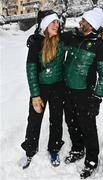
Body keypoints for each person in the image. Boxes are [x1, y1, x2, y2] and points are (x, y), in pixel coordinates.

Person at [63, 8, 103, 179]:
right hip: (68, 90)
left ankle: (91, 160)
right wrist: (38, 38)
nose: (80, 22)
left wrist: (97, 98)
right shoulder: (74, 37)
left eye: (83, 20)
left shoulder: (100, 46)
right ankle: (77, 148)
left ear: (91, 24)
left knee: (87, 127)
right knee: (71, 121)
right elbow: (54, 38)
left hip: (85, 94)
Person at [21, 10, 65, 169]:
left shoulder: (62, 40)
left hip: (59, 87)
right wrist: (35, 95)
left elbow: (84, 36)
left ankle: (54, 148)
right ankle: (30, 150)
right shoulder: (36, 44)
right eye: (53, 22)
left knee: (56, 119)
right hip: (41, 88)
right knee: (34, 120)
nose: (56, 25)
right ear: (45, 25)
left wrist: (101, 35)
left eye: (57, 22)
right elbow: (31, 70)